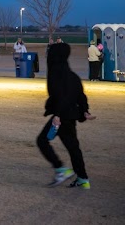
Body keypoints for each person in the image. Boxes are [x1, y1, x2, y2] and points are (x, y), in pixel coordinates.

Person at [37, 42, 94, 189]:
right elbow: (80, 95)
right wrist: (85, 110)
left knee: (42, 141)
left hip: (62, 116)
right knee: (73, 147)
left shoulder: (56, 74)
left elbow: (60, 97)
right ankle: (83, 179)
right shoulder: (72, 75)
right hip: (71, 115)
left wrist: (57, 115)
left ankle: (60, 169)